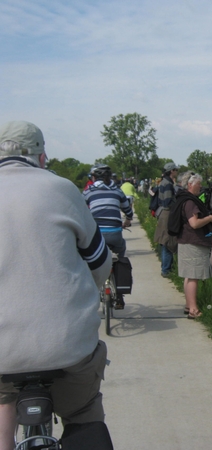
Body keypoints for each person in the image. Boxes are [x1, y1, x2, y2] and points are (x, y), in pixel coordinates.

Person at [0, 121, 113, 449]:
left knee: (3, 397)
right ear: (41, 155)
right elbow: (100, 261)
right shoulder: (62, 189)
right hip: (67, 345)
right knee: (84, 410)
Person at [83, 164, 133, 309]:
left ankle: (91, 290)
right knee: (120, 253)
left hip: (96, 235)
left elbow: (79, 209)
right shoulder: (117, 191)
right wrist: (127, 220)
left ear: (93, 178)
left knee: (88, 258)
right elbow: (128, 210)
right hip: (115, 234)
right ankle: (119, 295)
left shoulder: (88, 192)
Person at [170, 172, 212, 318]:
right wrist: (210, 218)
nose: (201, 186)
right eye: (198, 184)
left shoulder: (182, 198)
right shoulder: (190, 202)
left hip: (185, 241)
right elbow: (194, 223)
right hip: (193, 243)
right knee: (193, 276)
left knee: (188, 276)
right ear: (190, 184)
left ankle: (188, 305)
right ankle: (193, 309)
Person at [154, 162, 179, 277]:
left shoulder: (163, 182)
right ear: (171, 171)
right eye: (175, 170)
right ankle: (166, 270)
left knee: (164, 242)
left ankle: (165, 267)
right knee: (167, 243)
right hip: (167, 214)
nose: (177, 172)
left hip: (162, 213)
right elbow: (168, 202)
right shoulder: (168, 184)